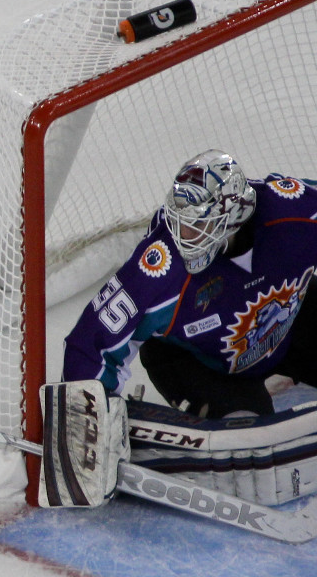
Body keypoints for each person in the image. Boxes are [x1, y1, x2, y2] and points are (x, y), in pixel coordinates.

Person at [62, 149, 317, 418]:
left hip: (289, 329)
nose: (184, 235)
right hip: (197, 363)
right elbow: (91, 340)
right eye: (180, 220)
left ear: (235, 216)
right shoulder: (160, 264)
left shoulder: (292, 211)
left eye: (198, 224)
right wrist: (86, 418)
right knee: (244, 431)